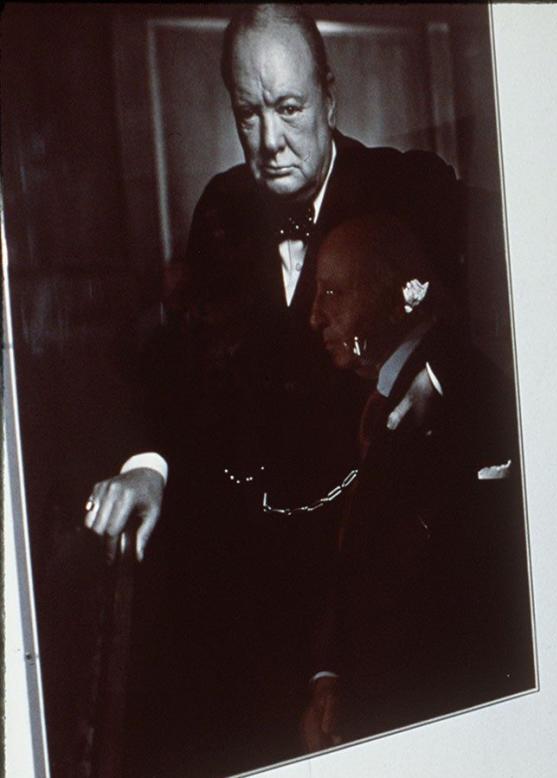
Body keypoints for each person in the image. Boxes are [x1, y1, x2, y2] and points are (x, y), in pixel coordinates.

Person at [80, 5, 462, 774]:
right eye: (247, 113)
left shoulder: (411, 189)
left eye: (289, 109)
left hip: (374, 553)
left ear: (330, 98)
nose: (268, 140)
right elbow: (188, 370)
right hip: (251, 566)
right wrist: (148, 467)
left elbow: (477, 348)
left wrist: (434, 385)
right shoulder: (221, 207)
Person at [299, 214, 532, 750]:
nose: (315, 318)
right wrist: (328, 674)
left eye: (333, 293)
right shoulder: (370, 400)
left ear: (406, 294)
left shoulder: (465, 393)